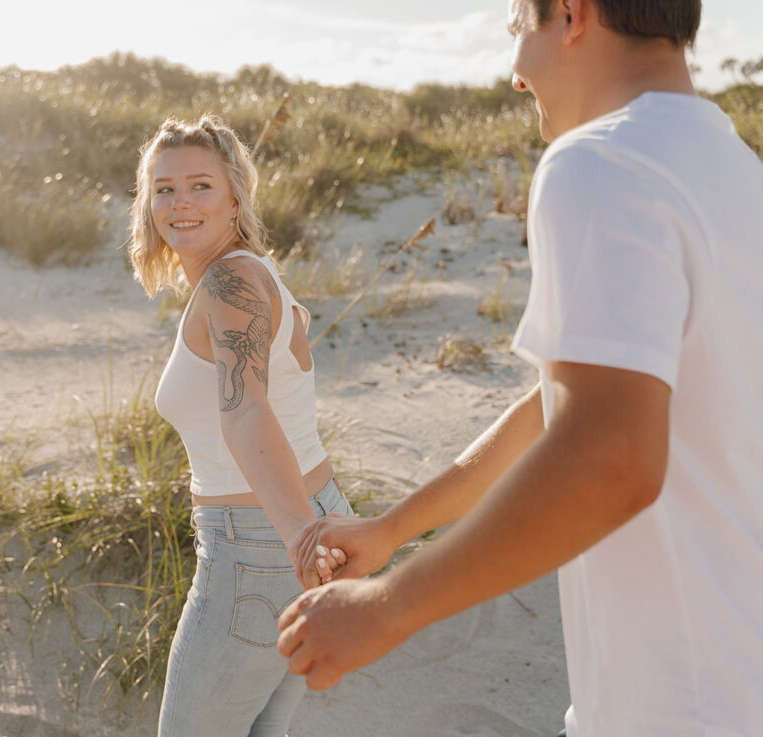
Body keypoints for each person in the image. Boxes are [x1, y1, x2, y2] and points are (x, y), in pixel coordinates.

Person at [277, 1, 763, 736]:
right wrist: (394, 529)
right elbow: (563, 411)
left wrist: (387, 608)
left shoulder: (599, 163)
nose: (514, 75)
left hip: (671, 712)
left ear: (570, 14)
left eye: (516, 29)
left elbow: (610, 457)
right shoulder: (735, 169)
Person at [127, 114, 353, 737]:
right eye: (163, 188)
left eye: (200, 185)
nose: (180, 203)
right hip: (304, 520)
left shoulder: (231, 280)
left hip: (264, 540)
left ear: (235, 196)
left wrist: (298, 537)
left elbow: (247, 406)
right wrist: (308, 531)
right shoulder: (248, 272)